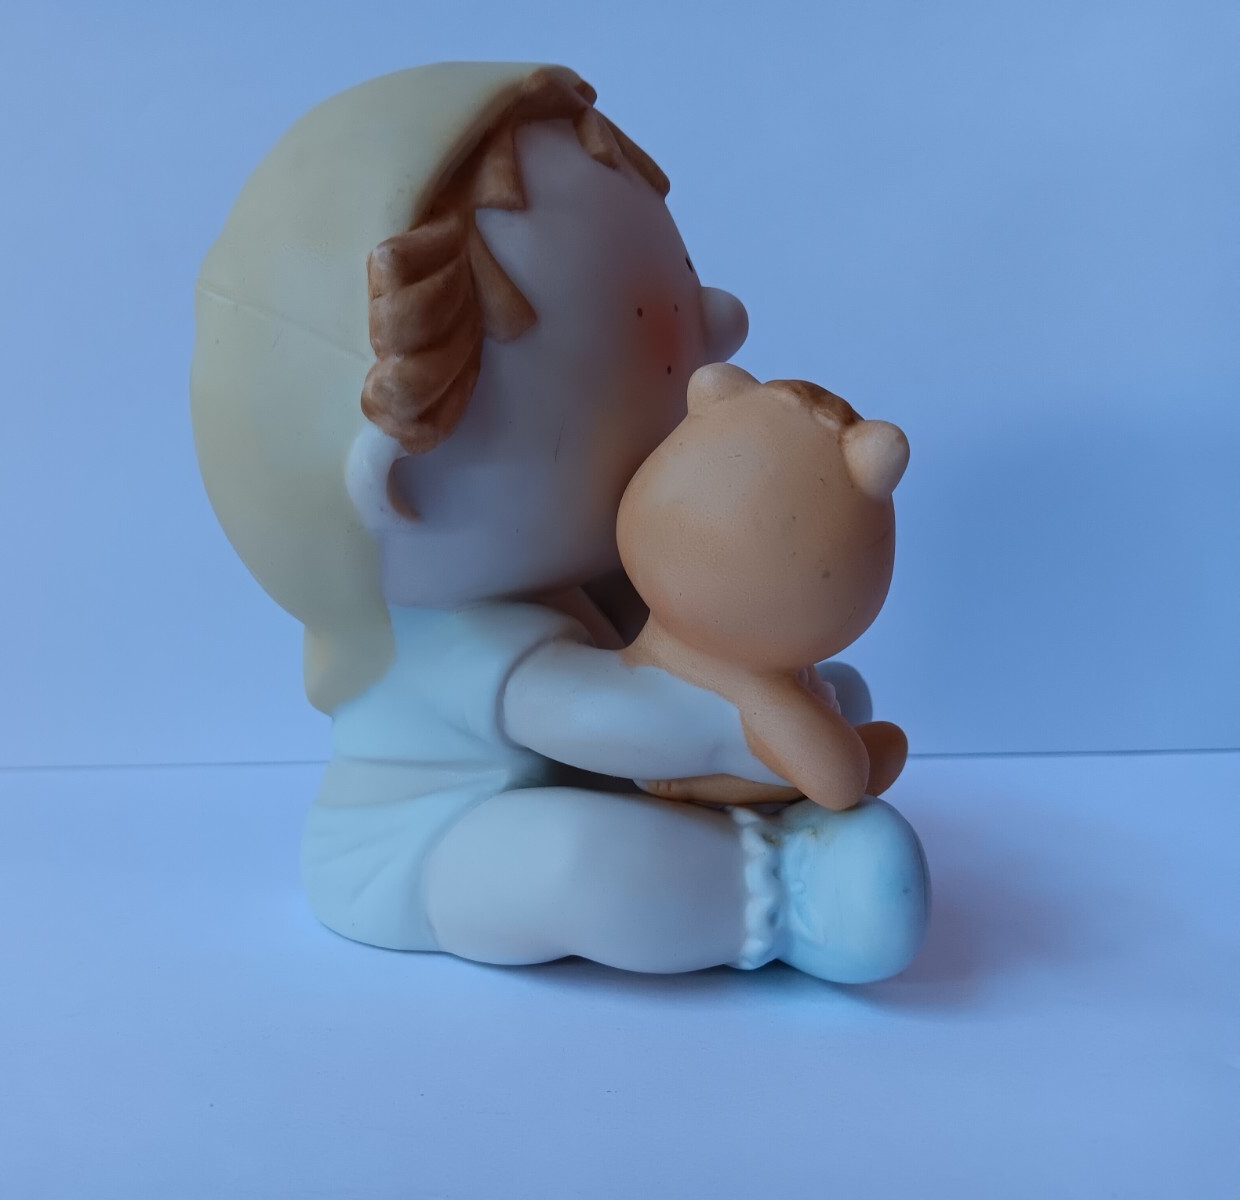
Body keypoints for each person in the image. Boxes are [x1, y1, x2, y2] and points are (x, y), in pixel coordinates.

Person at [192, 62, 928, 982]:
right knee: (583, 862)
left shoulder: (588, 572)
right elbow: (611, 715)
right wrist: (745, 727)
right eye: (638, 353)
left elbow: (658, 661)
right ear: (406, 483)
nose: (716, 333)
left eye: (684, 295)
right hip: (427, 852)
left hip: (583, 771)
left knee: (782, 710)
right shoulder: (455, 639)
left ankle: (752, 802)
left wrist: (770, 689)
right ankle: (791, 896)